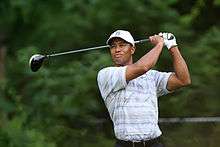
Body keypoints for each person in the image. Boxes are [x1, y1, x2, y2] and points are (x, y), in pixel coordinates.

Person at [97, 30, 191, 147]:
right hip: (125, 144)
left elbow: (183, 79)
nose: (117, 50)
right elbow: (142, 67)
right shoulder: (106, 75)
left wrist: (172, 46)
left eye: (122, 45)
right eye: (113, 47)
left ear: (132, 49)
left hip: (154, 143)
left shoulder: (152, 76)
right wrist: (160, 44)